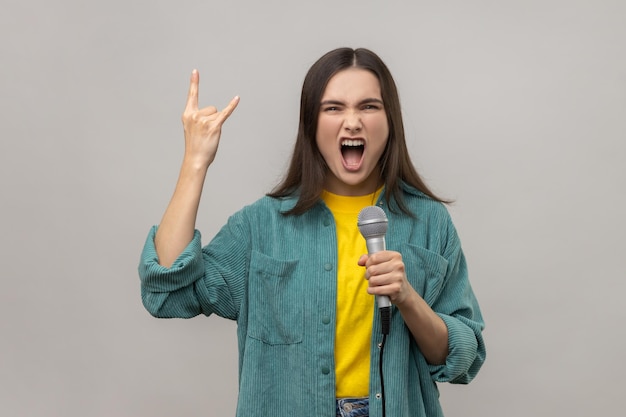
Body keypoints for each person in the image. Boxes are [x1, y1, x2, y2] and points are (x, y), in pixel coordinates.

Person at [139, 47, 486, 417]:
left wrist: (408, 299)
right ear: (311, 123)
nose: (352, 122)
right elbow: (168, 292)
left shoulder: (430, 222)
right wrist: (195, 162)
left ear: (390, 121)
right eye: (333, 108)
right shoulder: (262, 225)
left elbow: (464, 358)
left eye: (368, 106)